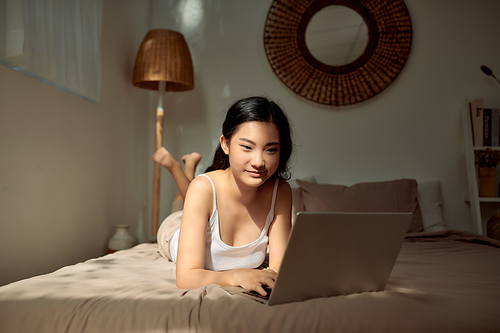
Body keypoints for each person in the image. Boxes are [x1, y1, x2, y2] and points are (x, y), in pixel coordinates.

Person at [154, 96, 294, 297]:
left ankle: (188, 168)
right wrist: (238, 276)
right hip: (171, 232)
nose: (258, 162)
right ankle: (180, 169)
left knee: (194, 194)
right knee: (182, 206)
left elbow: (279, 265)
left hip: (203, 203)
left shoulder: (280, 191)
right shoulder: (203, 188)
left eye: (271, 150)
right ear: (225, 144)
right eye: (247, 147)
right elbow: (186, 277)